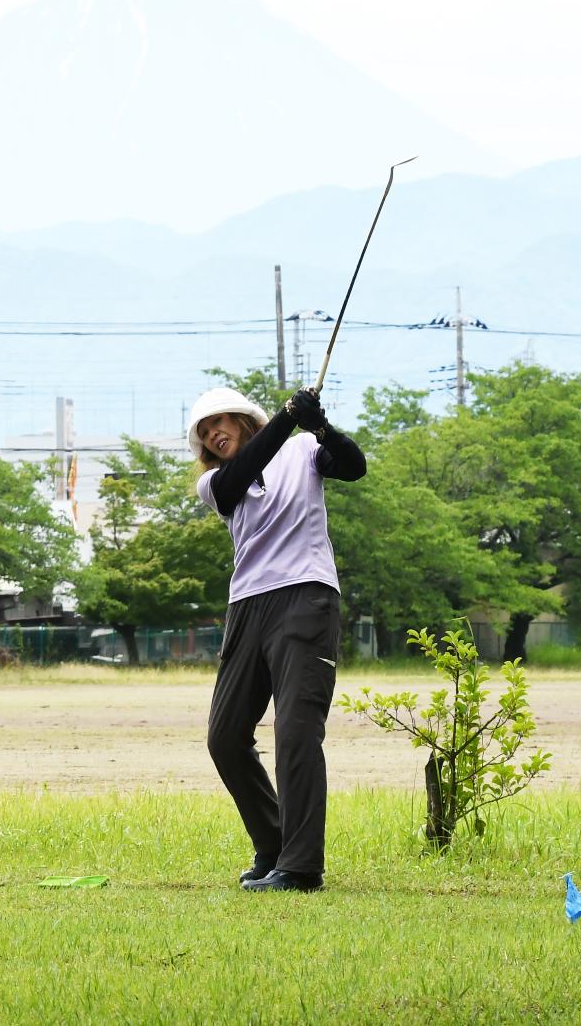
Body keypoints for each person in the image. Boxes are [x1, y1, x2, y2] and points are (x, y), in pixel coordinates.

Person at [191, 383, 365, 893]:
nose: (213, 435)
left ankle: (302, 866)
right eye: (204, 433)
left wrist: (320, 426)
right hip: (247, 605)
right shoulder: (216, 482)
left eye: (219, 422)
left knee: (295, 731)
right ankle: (273, 844)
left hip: (305, 597)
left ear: (244, 418)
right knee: (224, 736)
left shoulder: (302, 449)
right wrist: (288, 416)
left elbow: (354, 466)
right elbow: (238, 481)